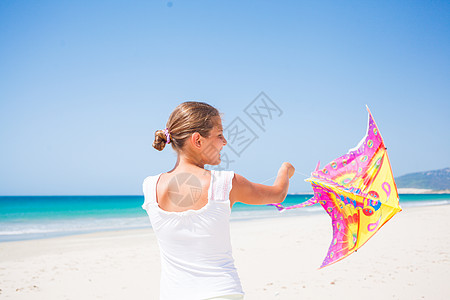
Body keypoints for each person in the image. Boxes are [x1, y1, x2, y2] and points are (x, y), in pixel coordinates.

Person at [142, 101, 295, 300]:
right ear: (198, 140)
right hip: (221, 292)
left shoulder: (150, 186)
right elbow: (278, 194)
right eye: (220, 135)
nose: (225, 142)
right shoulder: (225, 184)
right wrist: (285, 170)